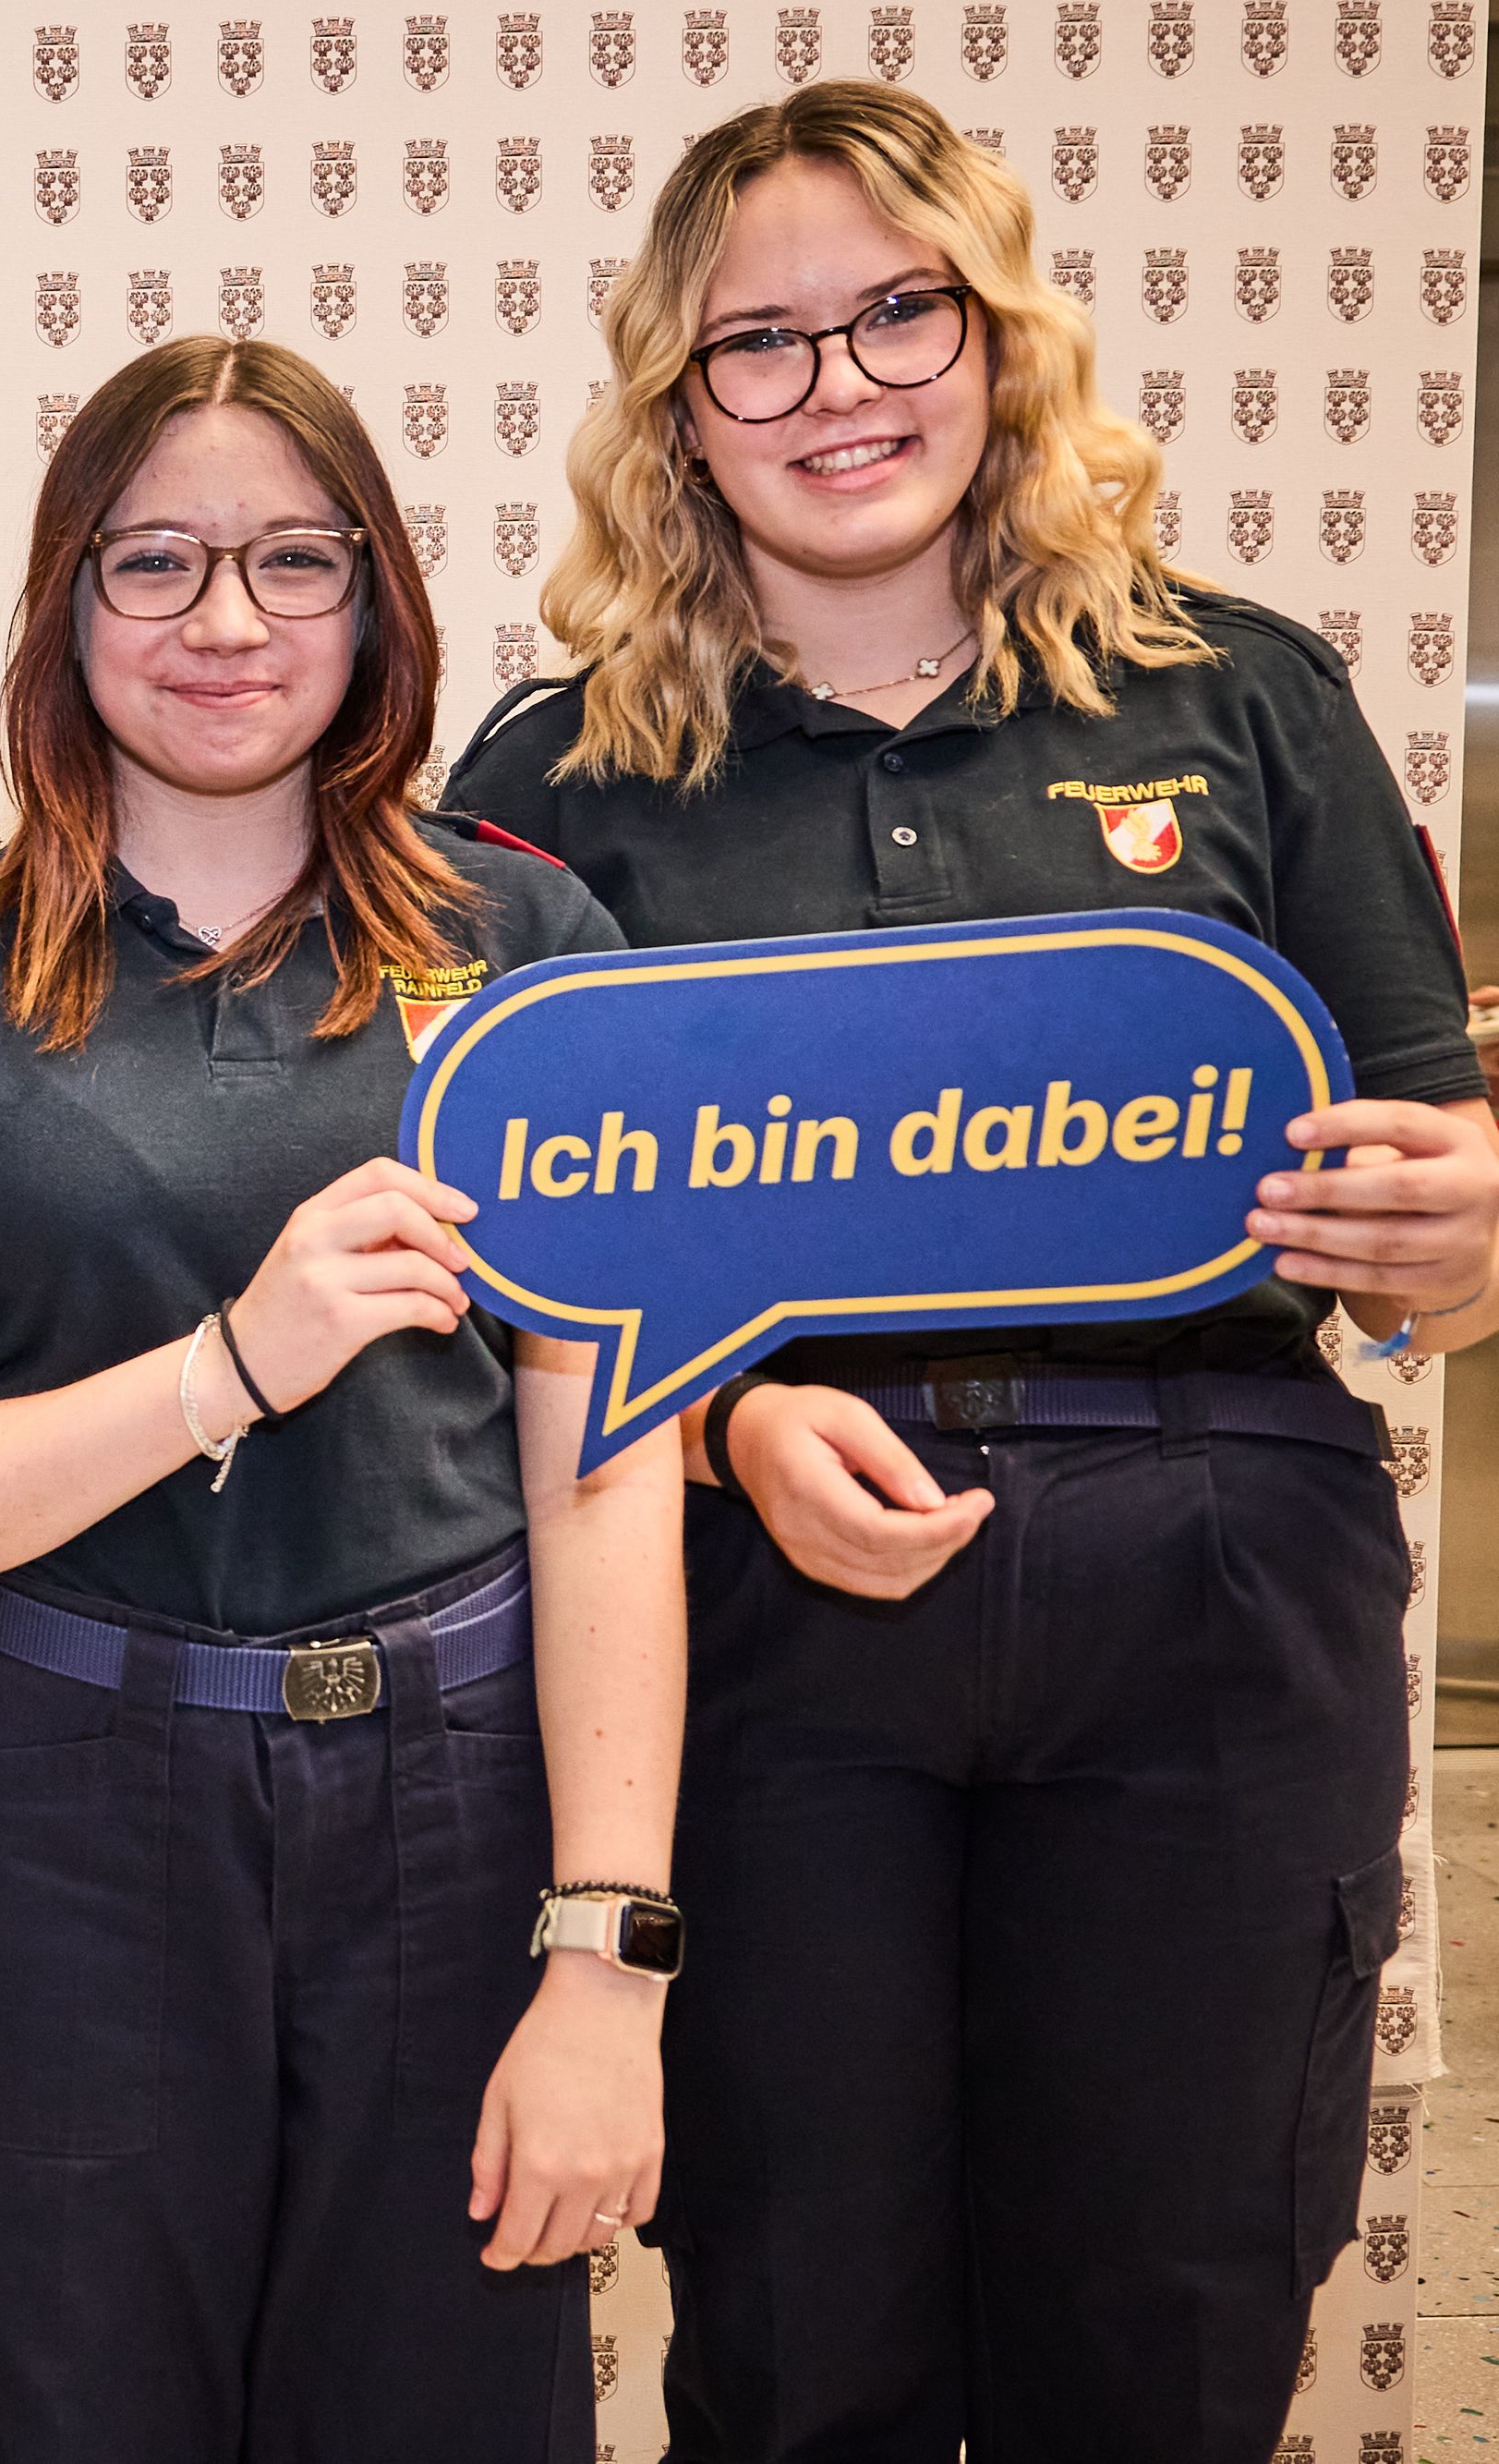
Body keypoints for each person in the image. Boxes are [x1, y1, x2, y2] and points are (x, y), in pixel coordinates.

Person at [444, 84, 1499, 2463]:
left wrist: (1463, 1218)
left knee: (1164, 2326)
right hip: (767, 1630)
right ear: (673, 411)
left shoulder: (1242, 691)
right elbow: (499, 1260)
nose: (837, 386)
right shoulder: (552, 782)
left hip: (1214, 1584)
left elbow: (1434, 1161)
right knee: (796, 2334)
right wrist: (716, 1420)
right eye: (759, 345)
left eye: (892, 312)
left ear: (992, 336)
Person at [0, 335, 686, 2461]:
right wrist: (226, 1364)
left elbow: (607, 1484)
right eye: (153, 560)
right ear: (59, 602)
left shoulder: (529, 934)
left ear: (371, 601)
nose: (223, 623)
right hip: (70, 1805)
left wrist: (605, 1958)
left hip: (462, 1818)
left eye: (294, 561)